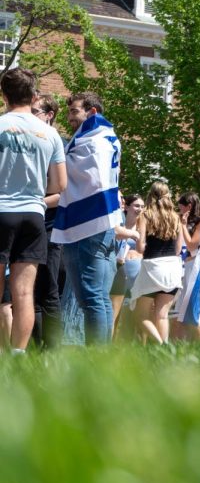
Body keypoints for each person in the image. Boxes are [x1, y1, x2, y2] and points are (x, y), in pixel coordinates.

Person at [0, 68, 67, 353]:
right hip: (33, 215)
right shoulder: (49, 134)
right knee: (25, 292)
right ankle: (18, 353)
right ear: (34, 95)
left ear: (4, 95)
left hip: (1, 210)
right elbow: (60, 184)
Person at [52, 91, 123, 345]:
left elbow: (75, 174)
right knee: (100, 297)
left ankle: (96, 356)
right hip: (103, 224)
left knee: (91, 297)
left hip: (87, 225)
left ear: (92, 112)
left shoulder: (92, 141)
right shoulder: (107, 137)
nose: (70, 118)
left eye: (74, 112)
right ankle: (100, 355)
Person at [129, 182, 184, 343]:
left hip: (152, 267)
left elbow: (140, 247)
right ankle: (165, 345)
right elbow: (178, 249)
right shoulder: (176, 217)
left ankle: (160, 344)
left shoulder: (145, 215)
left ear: (151, 195)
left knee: (140, 314)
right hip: (173, 267)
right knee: (162, 314)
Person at [29, 93, 64, 348]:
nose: (29, 117)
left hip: (52, 229)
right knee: (28, 290)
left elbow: (64, 193)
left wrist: (37, 201)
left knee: (48, 289)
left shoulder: (59, 143)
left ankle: (52, 350)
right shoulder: (28, 143)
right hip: (30, 223)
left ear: (48, 115)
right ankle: (34, 347)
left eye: (35, 112)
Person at [172, 192, 200, 340]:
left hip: (197, 268)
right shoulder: (185, 221)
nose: (179, 210)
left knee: (195, 310)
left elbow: (192, 244)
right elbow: (178, 248)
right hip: (186, 268)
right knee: (180, 312)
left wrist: (183, 226)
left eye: (181, 207)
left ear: (189, 206)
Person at [110, 193, 145, 338]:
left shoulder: (143, 225)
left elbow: (143, 248)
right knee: (114, 312)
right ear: (127, 207)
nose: (140, 209)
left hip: (137, 273)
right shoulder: (120, 223)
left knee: (136, 314)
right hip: (119, 269)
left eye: (142, 206)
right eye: (137, 206)